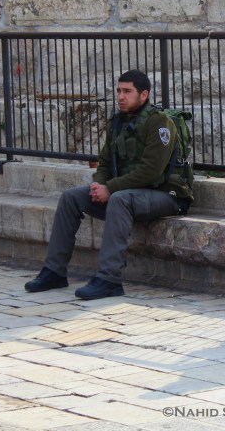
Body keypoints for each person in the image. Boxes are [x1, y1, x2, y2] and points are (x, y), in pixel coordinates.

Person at [25, 69, 194, 300]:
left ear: (143, 95)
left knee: (119, 199)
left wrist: (111, 188)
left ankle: (109, 279)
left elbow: (151, 172)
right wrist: (98, 186)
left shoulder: (160, 123)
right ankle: (54, 271)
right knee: (71, 197)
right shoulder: (117, 122)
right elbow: (105, 162)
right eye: (119, 91)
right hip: (129, 193)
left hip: (165, 195)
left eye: (127, 91)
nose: (121, 96)